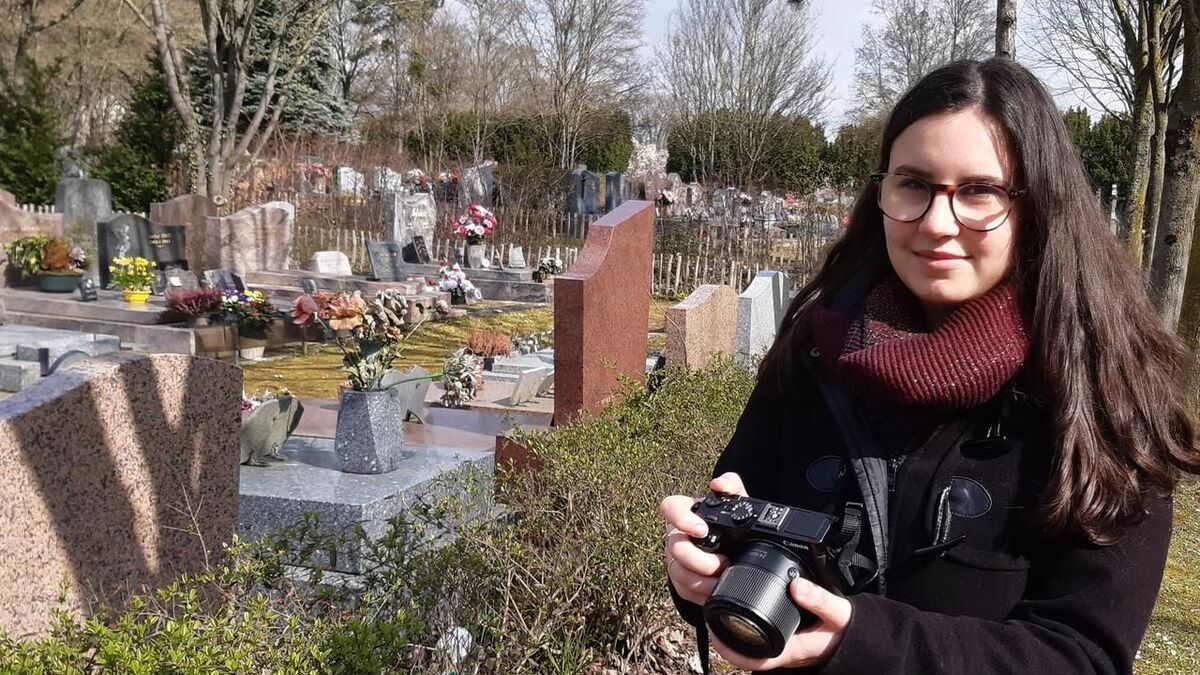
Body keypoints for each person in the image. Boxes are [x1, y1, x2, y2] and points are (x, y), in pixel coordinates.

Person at [660, 57, 1200, 674]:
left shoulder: (1104, 397)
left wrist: (862, 642)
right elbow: (741, 552)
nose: (938, 223)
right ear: (882, 190)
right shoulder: (814, 352)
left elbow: (1085, 655)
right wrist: (704, 571)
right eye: (913, 183)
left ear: (1038, 206)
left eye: (978, 191)